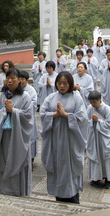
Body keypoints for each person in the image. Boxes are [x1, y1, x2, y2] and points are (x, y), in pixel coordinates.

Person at [40, 71, 88, 204]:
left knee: (69, 168)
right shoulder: (50, 98)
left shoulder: (76, 98)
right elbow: (43, 114)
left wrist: (66, 115)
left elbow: (82, 118)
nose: (62, 86)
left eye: (65, 83)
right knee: (57, 167)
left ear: (70, 83)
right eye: (59, 83)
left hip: (70, 141)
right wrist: (55, 114)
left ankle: (73, 198)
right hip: (55, 139)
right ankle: (58, 197)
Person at [0, 68, 34, 196]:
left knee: (18, 160)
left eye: (13, 78)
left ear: (19, 80)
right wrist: (4, 111)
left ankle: (19, 192)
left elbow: (28, 117)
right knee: (5, 161)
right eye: (7, 78)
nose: (10, 81)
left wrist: (13, 111)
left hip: (18, 137)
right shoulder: (1, 95)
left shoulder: (25, 96)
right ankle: (5, 190)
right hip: (5, 135)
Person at [87, 90, 110, 189]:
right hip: (94, 136)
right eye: (91, 102)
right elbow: (86, 121)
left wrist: (98, 121)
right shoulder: (90, 108)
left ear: (99, 100)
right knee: (95, 156)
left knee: (106, 157)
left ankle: (107, 178)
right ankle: (96, 177)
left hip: (105, 137)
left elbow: (109, 124)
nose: (93, 105)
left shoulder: (107, 109)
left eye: (94, 102)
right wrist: (92, 122)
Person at [19, 70, 38, 163]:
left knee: (30, 137)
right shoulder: (17, 89)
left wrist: (24, 107)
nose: (21, 81)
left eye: (23, 79)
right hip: (19, 117)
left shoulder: (31, 90)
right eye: (20, 79)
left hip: (28, 117)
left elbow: (34, 103)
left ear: (27, 80)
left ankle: (31, 156)